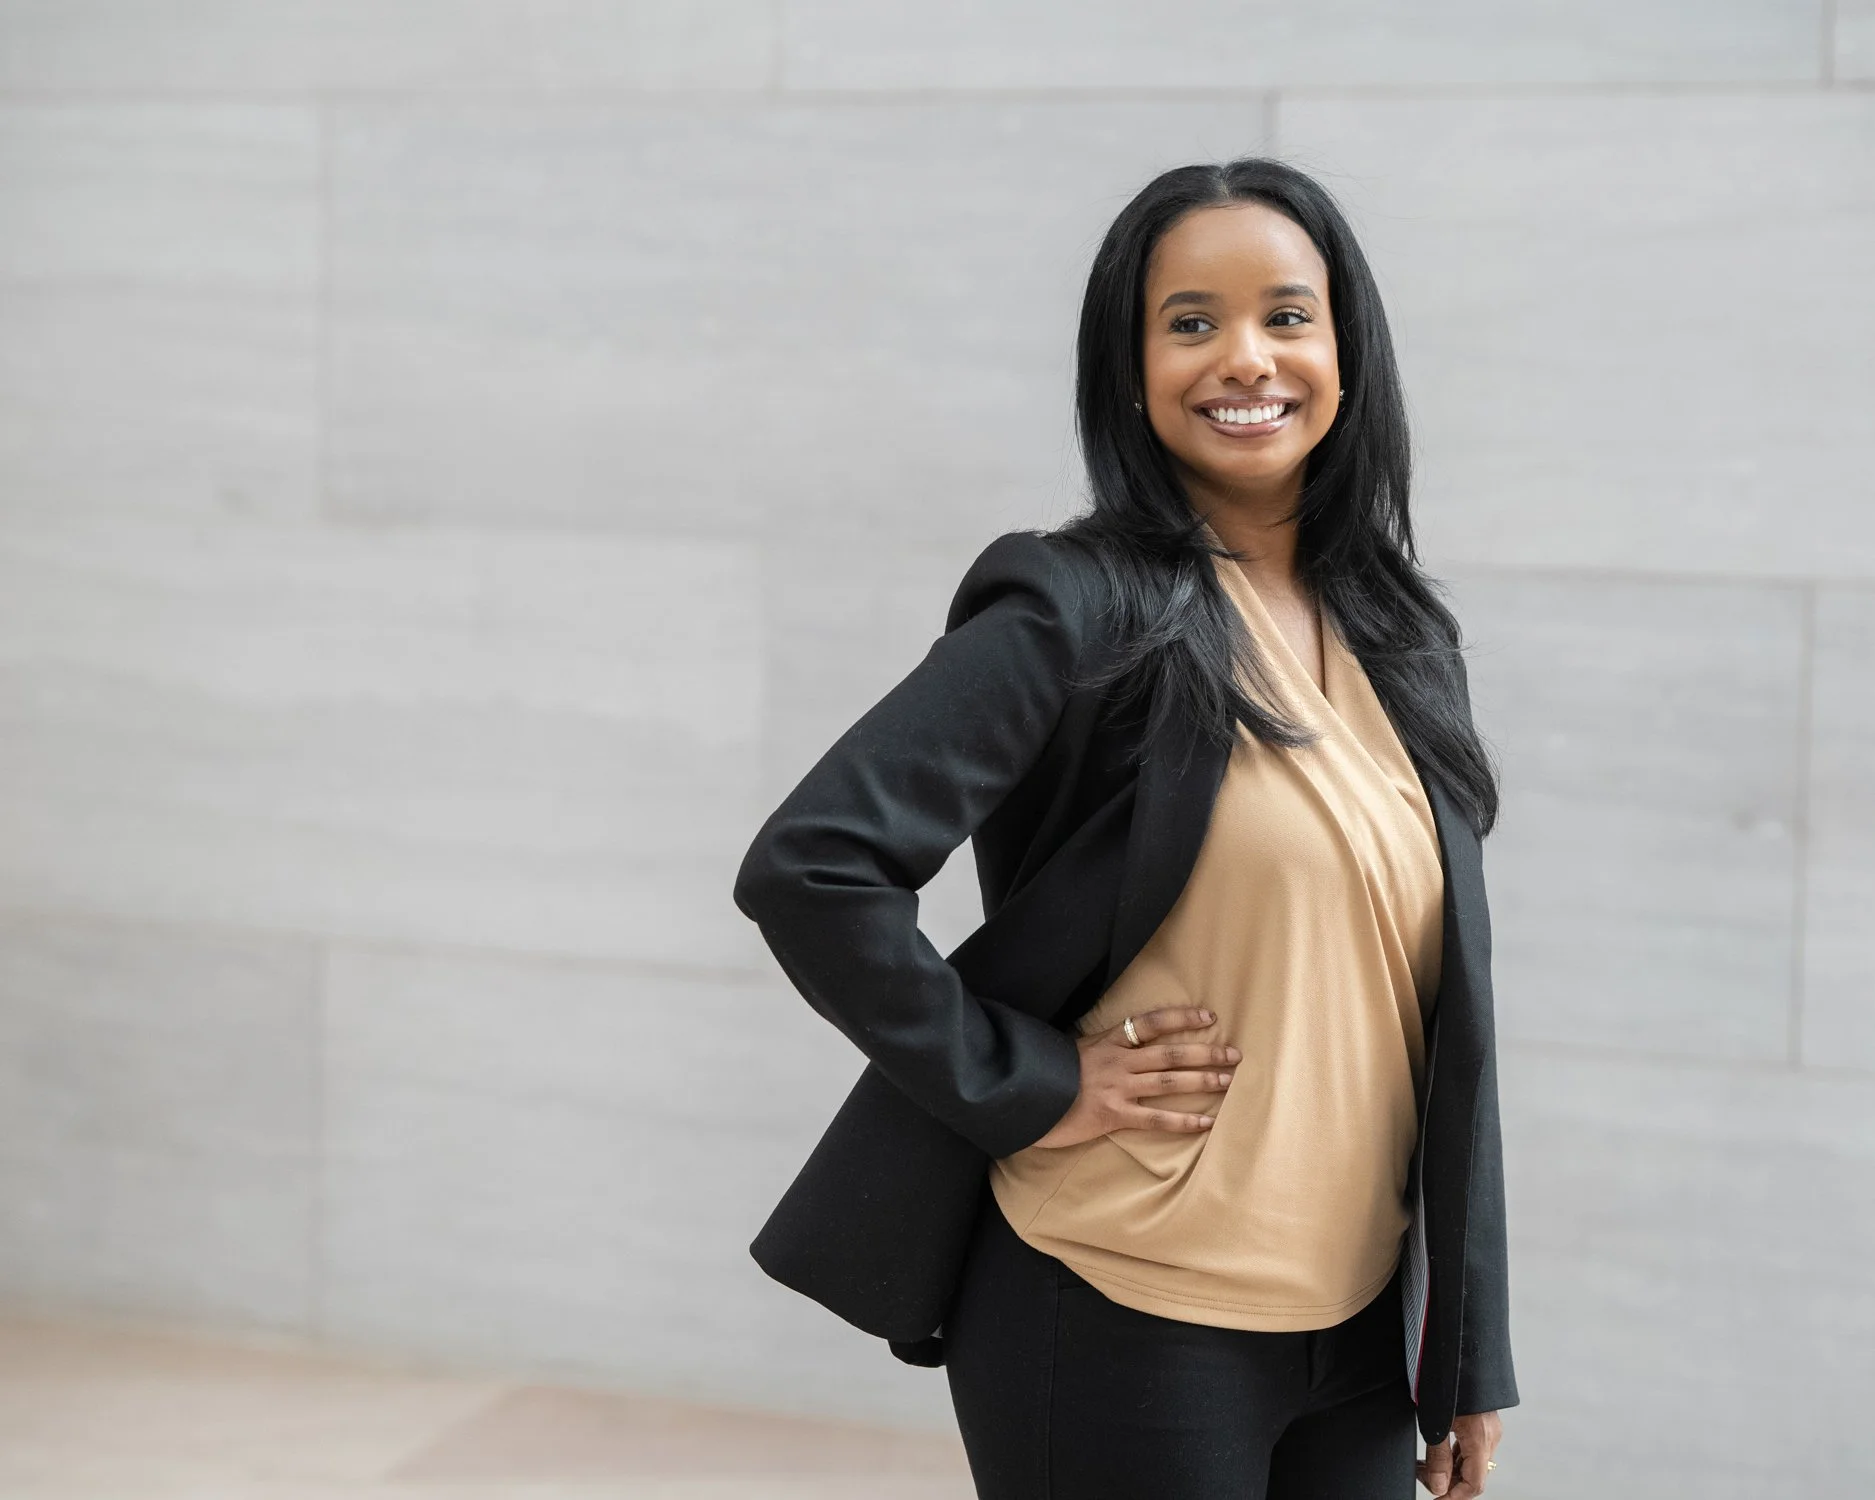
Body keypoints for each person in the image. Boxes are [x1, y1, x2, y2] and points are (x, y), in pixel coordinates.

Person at [733, 157, 1517, 1500]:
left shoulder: (1401, 633)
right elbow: (812, 866)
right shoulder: (1076, 609)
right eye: (1189, 321)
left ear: (1343, 347)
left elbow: (1433, 1023)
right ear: (1130, 362)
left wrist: (1464, 1356)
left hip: (1356, 1336)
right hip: (1120, 1304)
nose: (1244, 358)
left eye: (1285, 314)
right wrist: (1034, 1085)